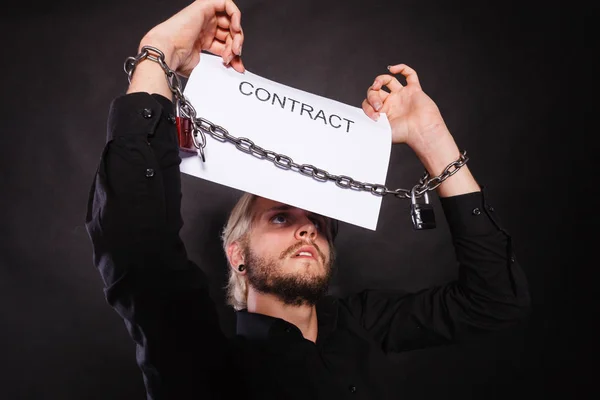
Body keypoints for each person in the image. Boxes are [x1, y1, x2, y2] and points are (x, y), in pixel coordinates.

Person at [85, 0, 530, 399]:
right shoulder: (197, 352)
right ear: (236, 254)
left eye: (318, 220)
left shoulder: (362, 325)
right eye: (279, 218)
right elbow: (135, 245)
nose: (307, 227)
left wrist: (431, 140)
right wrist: (159, 50)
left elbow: (495, 300)